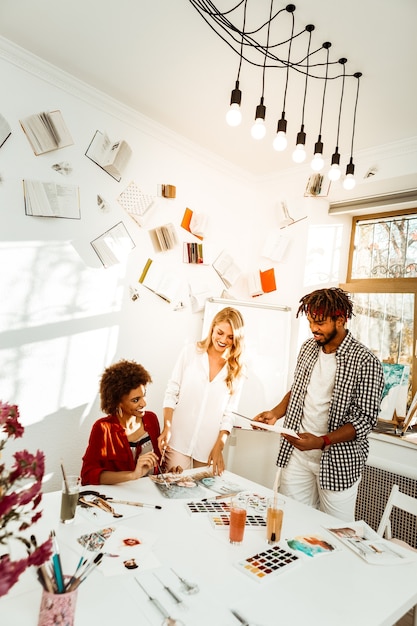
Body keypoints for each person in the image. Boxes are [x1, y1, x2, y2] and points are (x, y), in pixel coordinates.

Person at [253, 287, 384, 522]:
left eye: (321, 322)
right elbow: (299, 391)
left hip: (338, 462)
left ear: (340, 320)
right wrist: (274, 413)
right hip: (298, 457)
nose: (314, 328)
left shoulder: (366, 361)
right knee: (292, 522)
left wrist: (321, 442)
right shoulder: (308, 349)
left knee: (337, 534)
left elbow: (364, 420)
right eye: (311, 321)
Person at [158, 307, 245, 476]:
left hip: (209, 447)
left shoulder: (237, 370)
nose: (223, 340)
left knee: (200, 496)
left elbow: (230, 413)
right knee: (173, 489)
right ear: (212, 327)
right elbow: (172, 391)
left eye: (230, 337)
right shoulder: (190, 352)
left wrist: (219, 446)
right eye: (220, 332)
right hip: (178, 440)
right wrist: (167, 427)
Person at [81, 360, 160, 485]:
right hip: (122, 497)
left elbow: (156, 465)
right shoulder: (102, 428)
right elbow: (88, 475)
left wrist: (170, 472)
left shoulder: (151, 419)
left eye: (144, 395)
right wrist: (133, 475)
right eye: (135, 400)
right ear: (118, 402)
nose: (144, 403)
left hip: (152, 493)